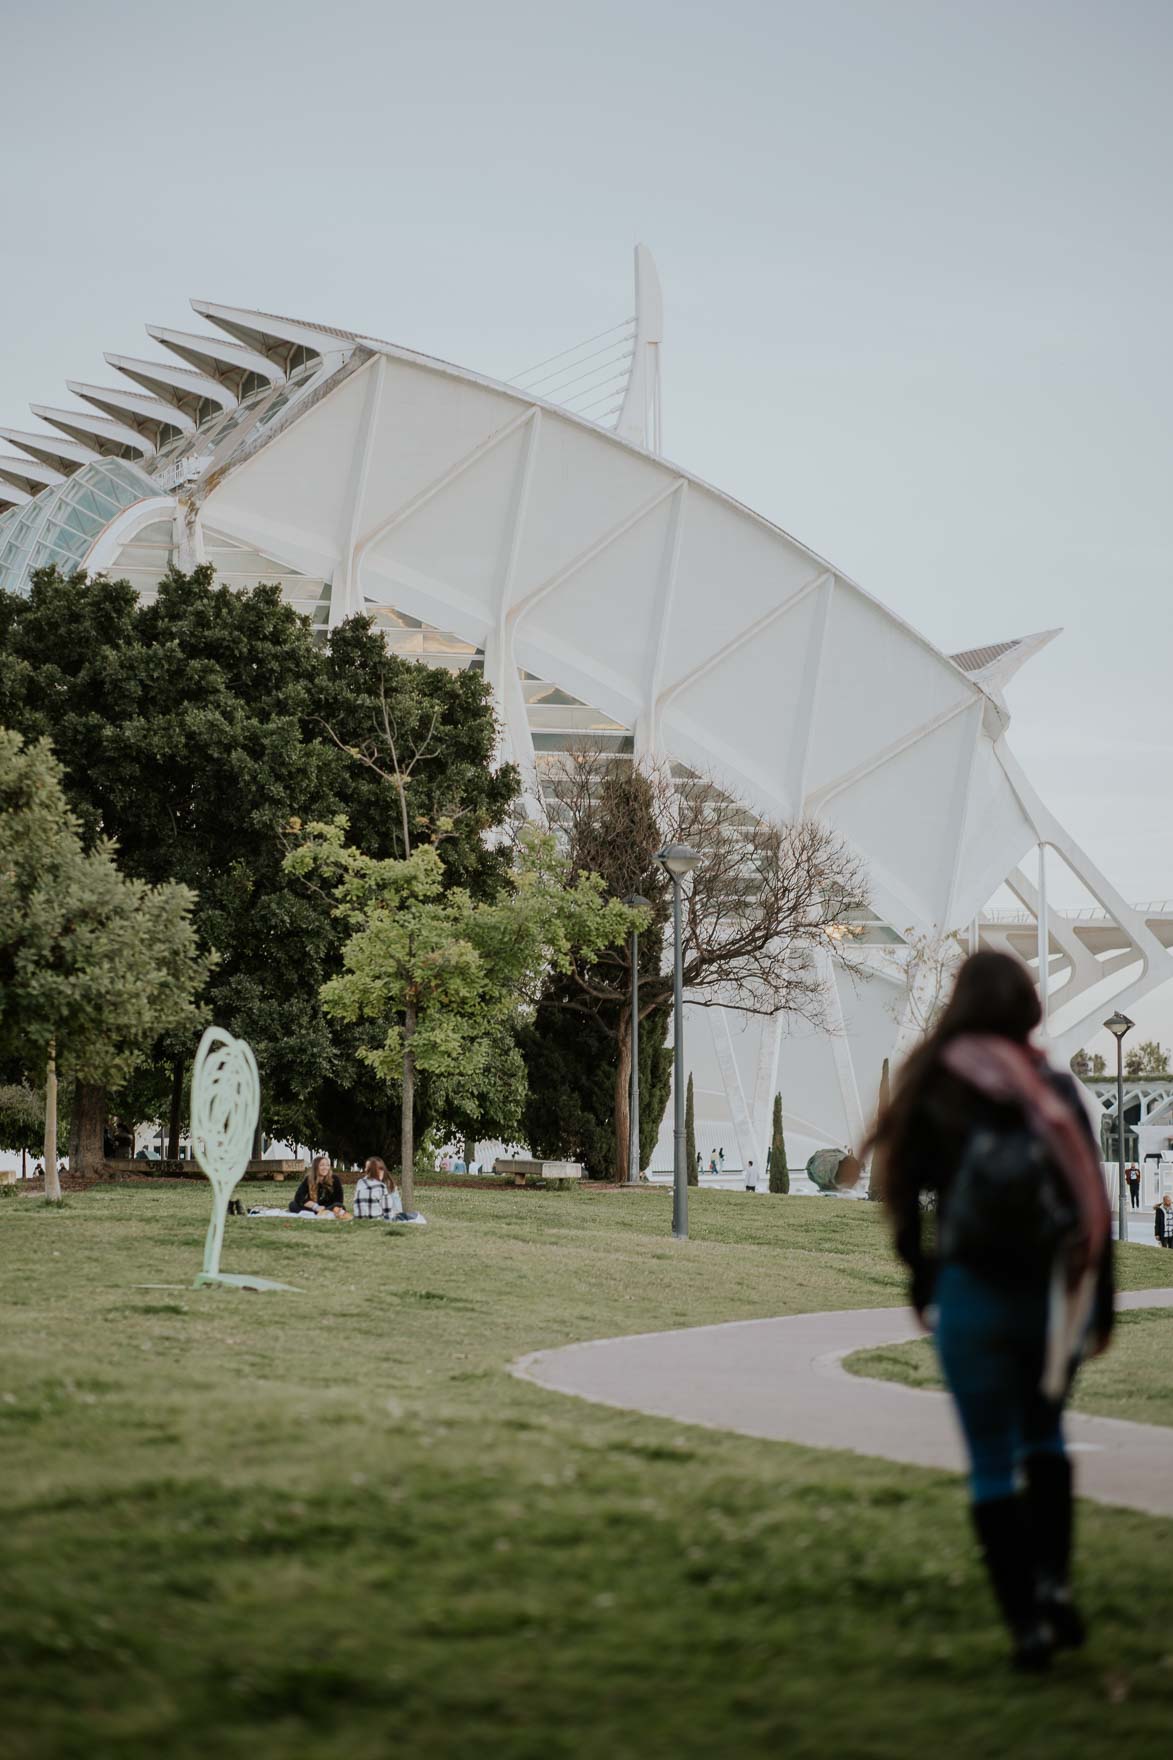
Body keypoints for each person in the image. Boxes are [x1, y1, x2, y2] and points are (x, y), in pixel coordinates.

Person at [868, 950, 1113, 1672]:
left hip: (970, 1294)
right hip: (1046, 1299)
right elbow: (1089, 1208)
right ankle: (1055, 1583)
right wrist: (1095, 1308)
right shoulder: (1055, 1091)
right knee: (1044, 1437)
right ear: (1029, 1009)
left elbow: (900, 1194)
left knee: (988, 1464)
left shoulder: (935, 1088)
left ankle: (1025, 1629)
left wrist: (923, 1281)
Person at [352, 1157, 425, 1223]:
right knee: (417, 1217)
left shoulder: (360, 1183)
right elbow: (389, 1215)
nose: (382, 1173)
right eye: (380, 1170)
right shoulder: (381, 1186)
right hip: (379, 1221)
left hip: (361, 1220)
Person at [289, 1153, 348, 1218]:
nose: (325, 1168)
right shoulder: (309, 1179)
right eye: (322, 1165)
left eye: (327, 1165)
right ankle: (320, 1212)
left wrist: (328, 1208)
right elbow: (298, 1197)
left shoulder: (334, 1179)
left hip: (330, 1207)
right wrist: (315, 1206)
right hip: (314, 1207)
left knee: (339, 1206)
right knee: (293, 1204)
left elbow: (339, 1200)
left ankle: (323, 1212)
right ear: (316, 1167)